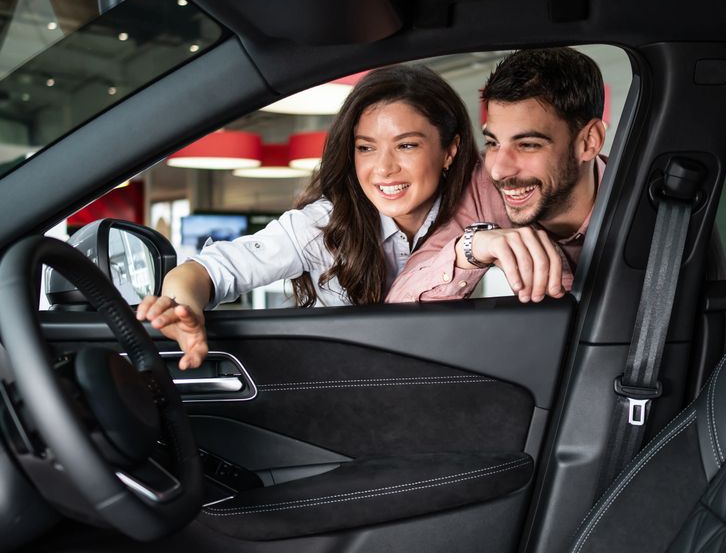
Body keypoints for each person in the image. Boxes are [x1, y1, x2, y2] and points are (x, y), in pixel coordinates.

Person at [137, 64, 478, 368]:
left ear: (450, 150)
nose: (384, 168)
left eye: (407, 145)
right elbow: (208, 271)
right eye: (366, 148)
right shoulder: (322, 224)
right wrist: (182, 308)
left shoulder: (480, 210)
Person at [385, 47, 606, 304]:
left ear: (589, 142)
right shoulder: (482, 187)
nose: (499, 170)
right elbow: (400, 301)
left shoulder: (647, 209)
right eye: (493, 143)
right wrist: (471, 249)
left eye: (527, 145)